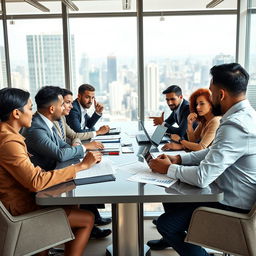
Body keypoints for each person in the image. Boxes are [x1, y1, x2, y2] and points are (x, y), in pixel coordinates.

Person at [148, 63, 256, 256]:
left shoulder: (234, 125)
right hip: (233, 194)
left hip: (234, 205)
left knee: (167, 224)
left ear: (221, 95)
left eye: (212, 92)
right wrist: (178, 159)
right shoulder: (247, 116)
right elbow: (212, 152)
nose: (211, 96)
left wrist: (168, 169)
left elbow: (202, 177)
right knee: (172, 200)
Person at [0, 87, 102, 256]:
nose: (33, 113)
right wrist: (80, 167)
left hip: (22, 202)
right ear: (16, 113)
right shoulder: (9, 142)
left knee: (72, 204)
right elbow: (35, 182)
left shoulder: (8, 135)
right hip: (20, 210)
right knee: (87, 219)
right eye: (30, 108)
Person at [54, 88, 112, 236]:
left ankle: (95, 219)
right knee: (86, 175)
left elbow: (77, 133)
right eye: (87, 97)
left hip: (70, 154)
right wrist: (93, 136)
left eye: (92, 97)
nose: (90, 101)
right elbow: (79, 132)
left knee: (89, 174)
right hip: (59, 164)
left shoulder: (64, 116)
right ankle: (91, 224)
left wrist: (97, 114)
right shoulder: (70, 113)